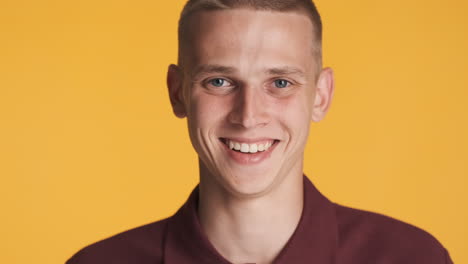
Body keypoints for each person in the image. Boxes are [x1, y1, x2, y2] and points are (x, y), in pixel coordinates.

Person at [67, 0, 453, 263]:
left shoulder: (412, 257)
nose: (248, 116)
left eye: (280, 83)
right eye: (219, 81)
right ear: (178, 92)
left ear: (320, 96)